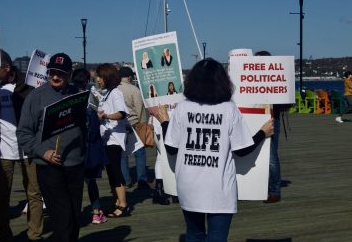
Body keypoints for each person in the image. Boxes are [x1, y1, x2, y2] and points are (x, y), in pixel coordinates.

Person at [152, 58, 273, 241]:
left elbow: (170, 148)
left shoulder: (183, 108)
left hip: (188, 185)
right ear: (222, 82)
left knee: (194, 234)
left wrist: (165, 121)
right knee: (217, 237)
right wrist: (263, 132)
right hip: (220, 188)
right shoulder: (229, 109)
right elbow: (243, 149)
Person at [17, 53, 87, 241]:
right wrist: (43, 152)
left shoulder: (78, 94)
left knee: (74, 217)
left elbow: (84, 127)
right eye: (52, 72)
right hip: (49, 167)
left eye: (61, 73)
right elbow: (23, 133)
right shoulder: (36, 97)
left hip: (76, 165)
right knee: (62, 219)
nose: (55, 77)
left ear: (70, 74)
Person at [0, 49, 43, 241]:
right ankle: (4, 234)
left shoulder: (27, 85)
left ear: (6, 67)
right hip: (2, 149)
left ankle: (34, 234)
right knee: (1, 196)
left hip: (28, 148)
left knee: (34, 193)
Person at [72, 68, 108, 225]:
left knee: (73, 183)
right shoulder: (92, 96)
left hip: (72, 147)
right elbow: (96, 120)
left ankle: (74, 214)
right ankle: (96, 212)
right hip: (89, 146)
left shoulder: (68, 97)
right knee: (90, 181)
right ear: (87, 81)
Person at [96, 63, 130, 217]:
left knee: (116, 171)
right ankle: (117, 201)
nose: (97, 80)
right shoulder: (106, 93)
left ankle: (123, 204)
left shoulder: (115, 93)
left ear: (107, 77)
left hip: (115, 138)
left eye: (100, 76)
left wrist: (106, 116)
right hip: (107, 138)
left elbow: (122, 113)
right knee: (110, 171)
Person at [254, 50, 283, 203]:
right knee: (260, 155)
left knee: (271, 156)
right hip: (256, 118)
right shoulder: (255, 79)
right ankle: (262, 187)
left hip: (271, 118)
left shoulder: (275, 80)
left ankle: (274, 191)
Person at [117, 66, 150, 189]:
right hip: (134, 123)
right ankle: (141, 179)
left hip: (119, 124)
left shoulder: (114, 89)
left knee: (122, 154)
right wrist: (143, 124)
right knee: (139, 152)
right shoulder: (134, 89)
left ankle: (126, 180)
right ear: (130, 77)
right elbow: (139, 109)